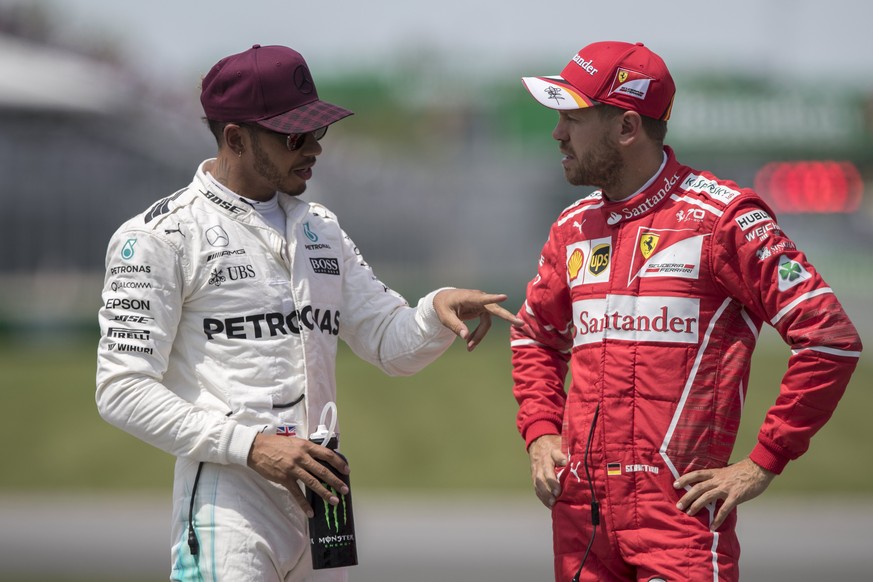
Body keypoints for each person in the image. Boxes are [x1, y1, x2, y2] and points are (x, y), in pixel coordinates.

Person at [95, 44, 522, 582]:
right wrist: (252, 447)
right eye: (295, 135)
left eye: (319, 130)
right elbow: (121, 389)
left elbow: (390, 343)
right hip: (229, 503)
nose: (315, 148)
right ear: (235, 138)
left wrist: (434, 311)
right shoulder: (160, 236)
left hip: (321, 497)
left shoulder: (320, 227)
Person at [510, 40, 862, 582]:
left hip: (678, 522)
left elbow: (829, 339)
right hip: (581, 521)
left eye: (572, 117)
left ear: (627, 128)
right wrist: (540, 432)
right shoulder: (573, 226)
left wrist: (764, 461)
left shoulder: (724, 220)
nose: (557, 133)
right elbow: (535, 338)